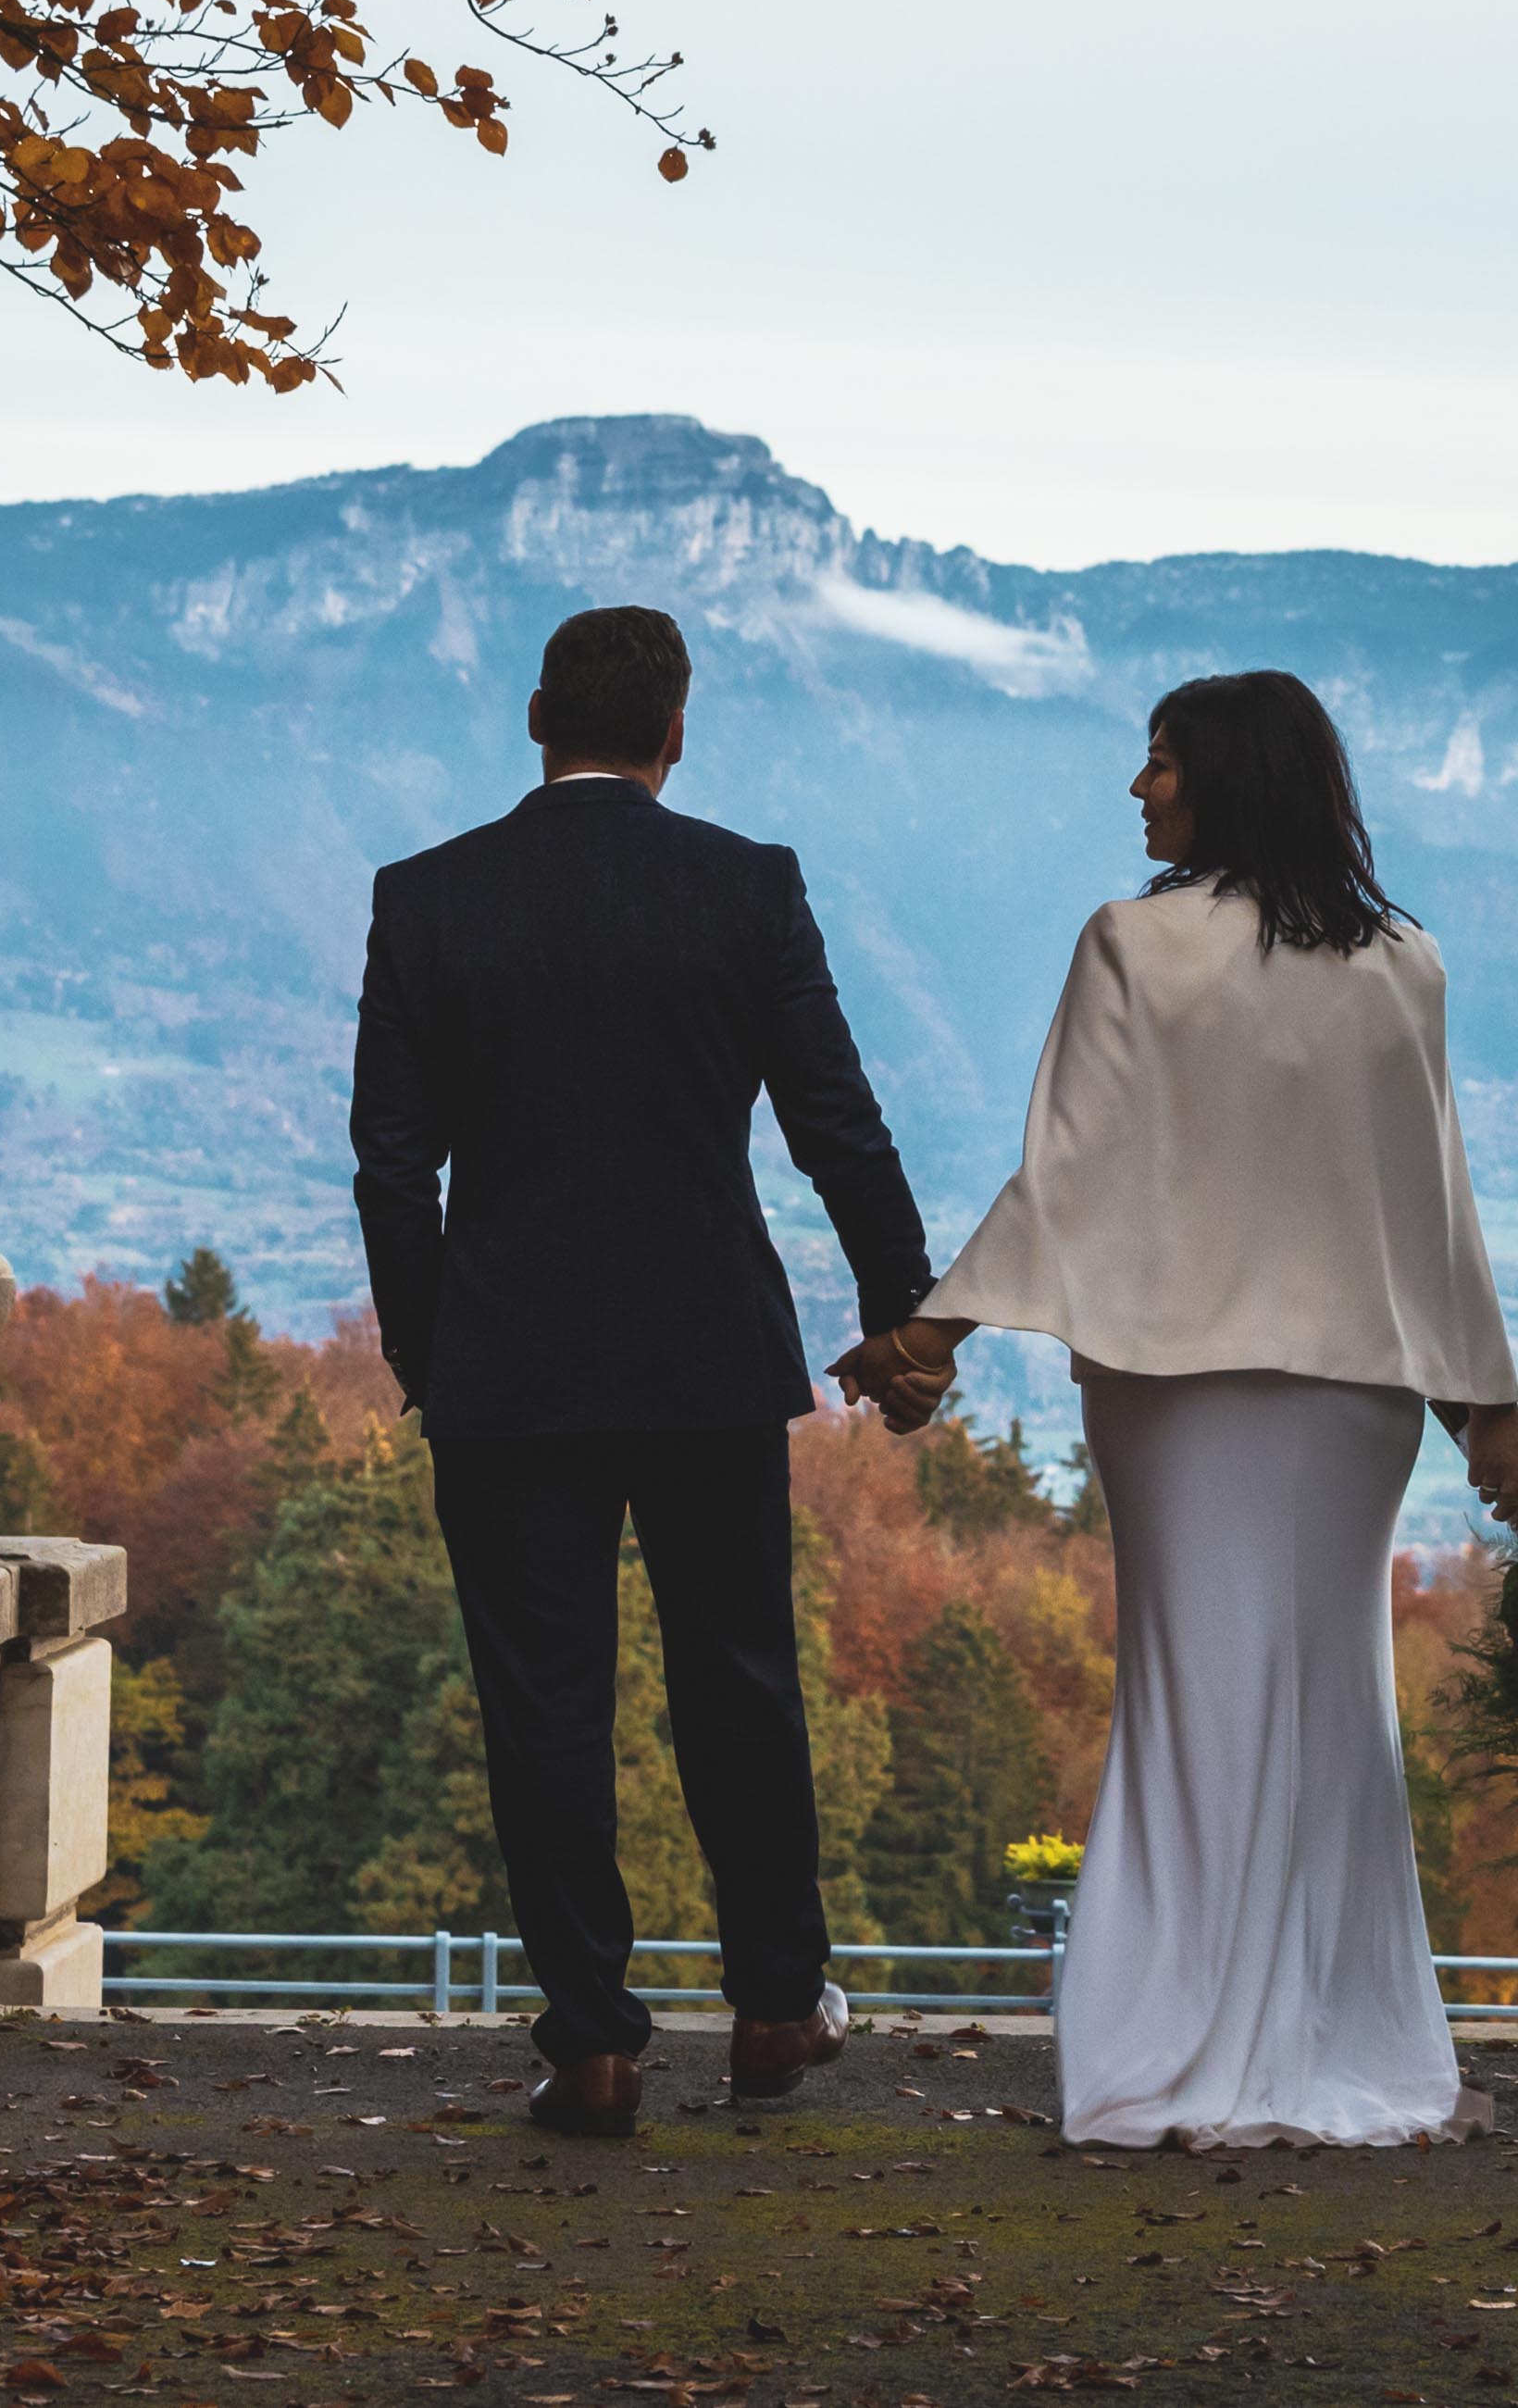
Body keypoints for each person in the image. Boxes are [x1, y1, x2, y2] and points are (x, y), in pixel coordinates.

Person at [836, 668, 1518, 2150]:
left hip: (1173, 1384)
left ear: (1223, 777)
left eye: (1158, 764)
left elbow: (1068, 1179)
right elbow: (1440, 1204)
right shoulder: (1406, 965)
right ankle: (1338, 2038)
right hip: (1358, 1396)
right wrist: (1488, 1406)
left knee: (1190, 1698)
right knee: (1337, 1710)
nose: (1137, 790)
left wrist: (931, 1332)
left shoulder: (1133, 948)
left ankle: (1167, 2045)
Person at [351, 604, 937, 2137]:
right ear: (679, 735)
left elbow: (391, 1168)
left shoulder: (425, 901)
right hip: (705, 1358)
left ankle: (595, 2041)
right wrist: (906, 1310)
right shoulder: (746, 889)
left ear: (535, 717)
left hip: (508, 1365)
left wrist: (430, 1353)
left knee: (544, 1699)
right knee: (739, 1680)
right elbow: (836, 1119)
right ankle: (770, 2011)